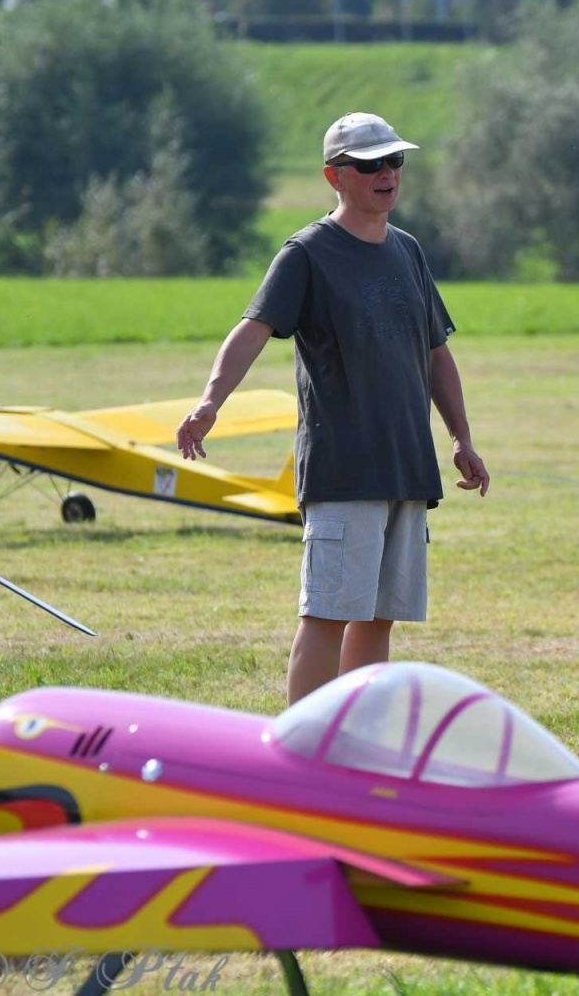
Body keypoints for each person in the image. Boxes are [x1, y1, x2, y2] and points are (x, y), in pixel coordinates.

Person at [176, 112, 489, 703]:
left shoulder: (408, 251)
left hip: (406, 468)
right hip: (344, 469)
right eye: (369, 164)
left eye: (394, 160)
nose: (386, 173)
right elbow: (252, 329)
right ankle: (301, 757)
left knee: (378, 619)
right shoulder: (308, 253)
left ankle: (356, 745)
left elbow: (436, 353)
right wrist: (210, 400)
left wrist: (460, 438)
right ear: (333, 176)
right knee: (326, 617)